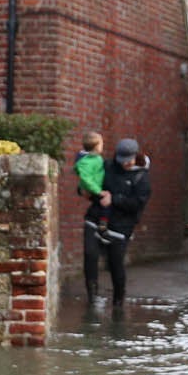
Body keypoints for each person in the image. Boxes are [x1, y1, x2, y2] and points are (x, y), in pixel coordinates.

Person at [97, 138, 151, 305]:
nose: (125, 164)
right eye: (123, 160)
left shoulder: (141, 177)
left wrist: (115, 199)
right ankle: (94, 296)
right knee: (93, 257)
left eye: (129, 160)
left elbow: (137, 204)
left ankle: (118, 299)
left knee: (115, 262)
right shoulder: (109, 167)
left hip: (123, 226)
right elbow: (97, 185)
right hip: (102, 219)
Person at [74, 129, 109, 308]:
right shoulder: (92, 161)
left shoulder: (95, 160)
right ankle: (92, 294)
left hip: (98, 203)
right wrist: (98, 191)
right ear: (96, 146)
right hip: (96, 200)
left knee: (95, 253)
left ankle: (94, 293)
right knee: (91, 253)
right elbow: (87, 180)